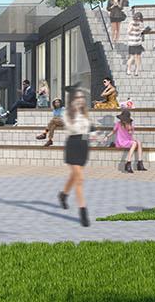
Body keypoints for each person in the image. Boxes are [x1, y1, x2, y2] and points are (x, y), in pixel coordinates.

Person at [55, 91, 92, 227]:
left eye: (82, 97)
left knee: (74, 176)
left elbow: (88, 130)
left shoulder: (85, 114)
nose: (80, 100)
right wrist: (76, 111)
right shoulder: (67, 114)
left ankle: (63, 194)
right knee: (79, 179)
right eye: (77, 97)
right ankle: (83, 211)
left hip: (83, 146)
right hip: (73, 145)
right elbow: (72, 128)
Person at [124, 11, 148, 76]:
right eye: (137, 17)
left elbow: (142, 30)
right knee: (131, 57)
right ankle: (128, 69)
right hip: (132, 43)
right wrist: (132, 28)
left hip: (138, 43)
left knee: (138, 57)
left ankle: (137, 71)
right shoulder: (131, 23)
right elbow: (128, 32)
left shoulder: (140, 23)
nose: (138, 19)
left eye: (139, 18)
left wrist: (145, 30)